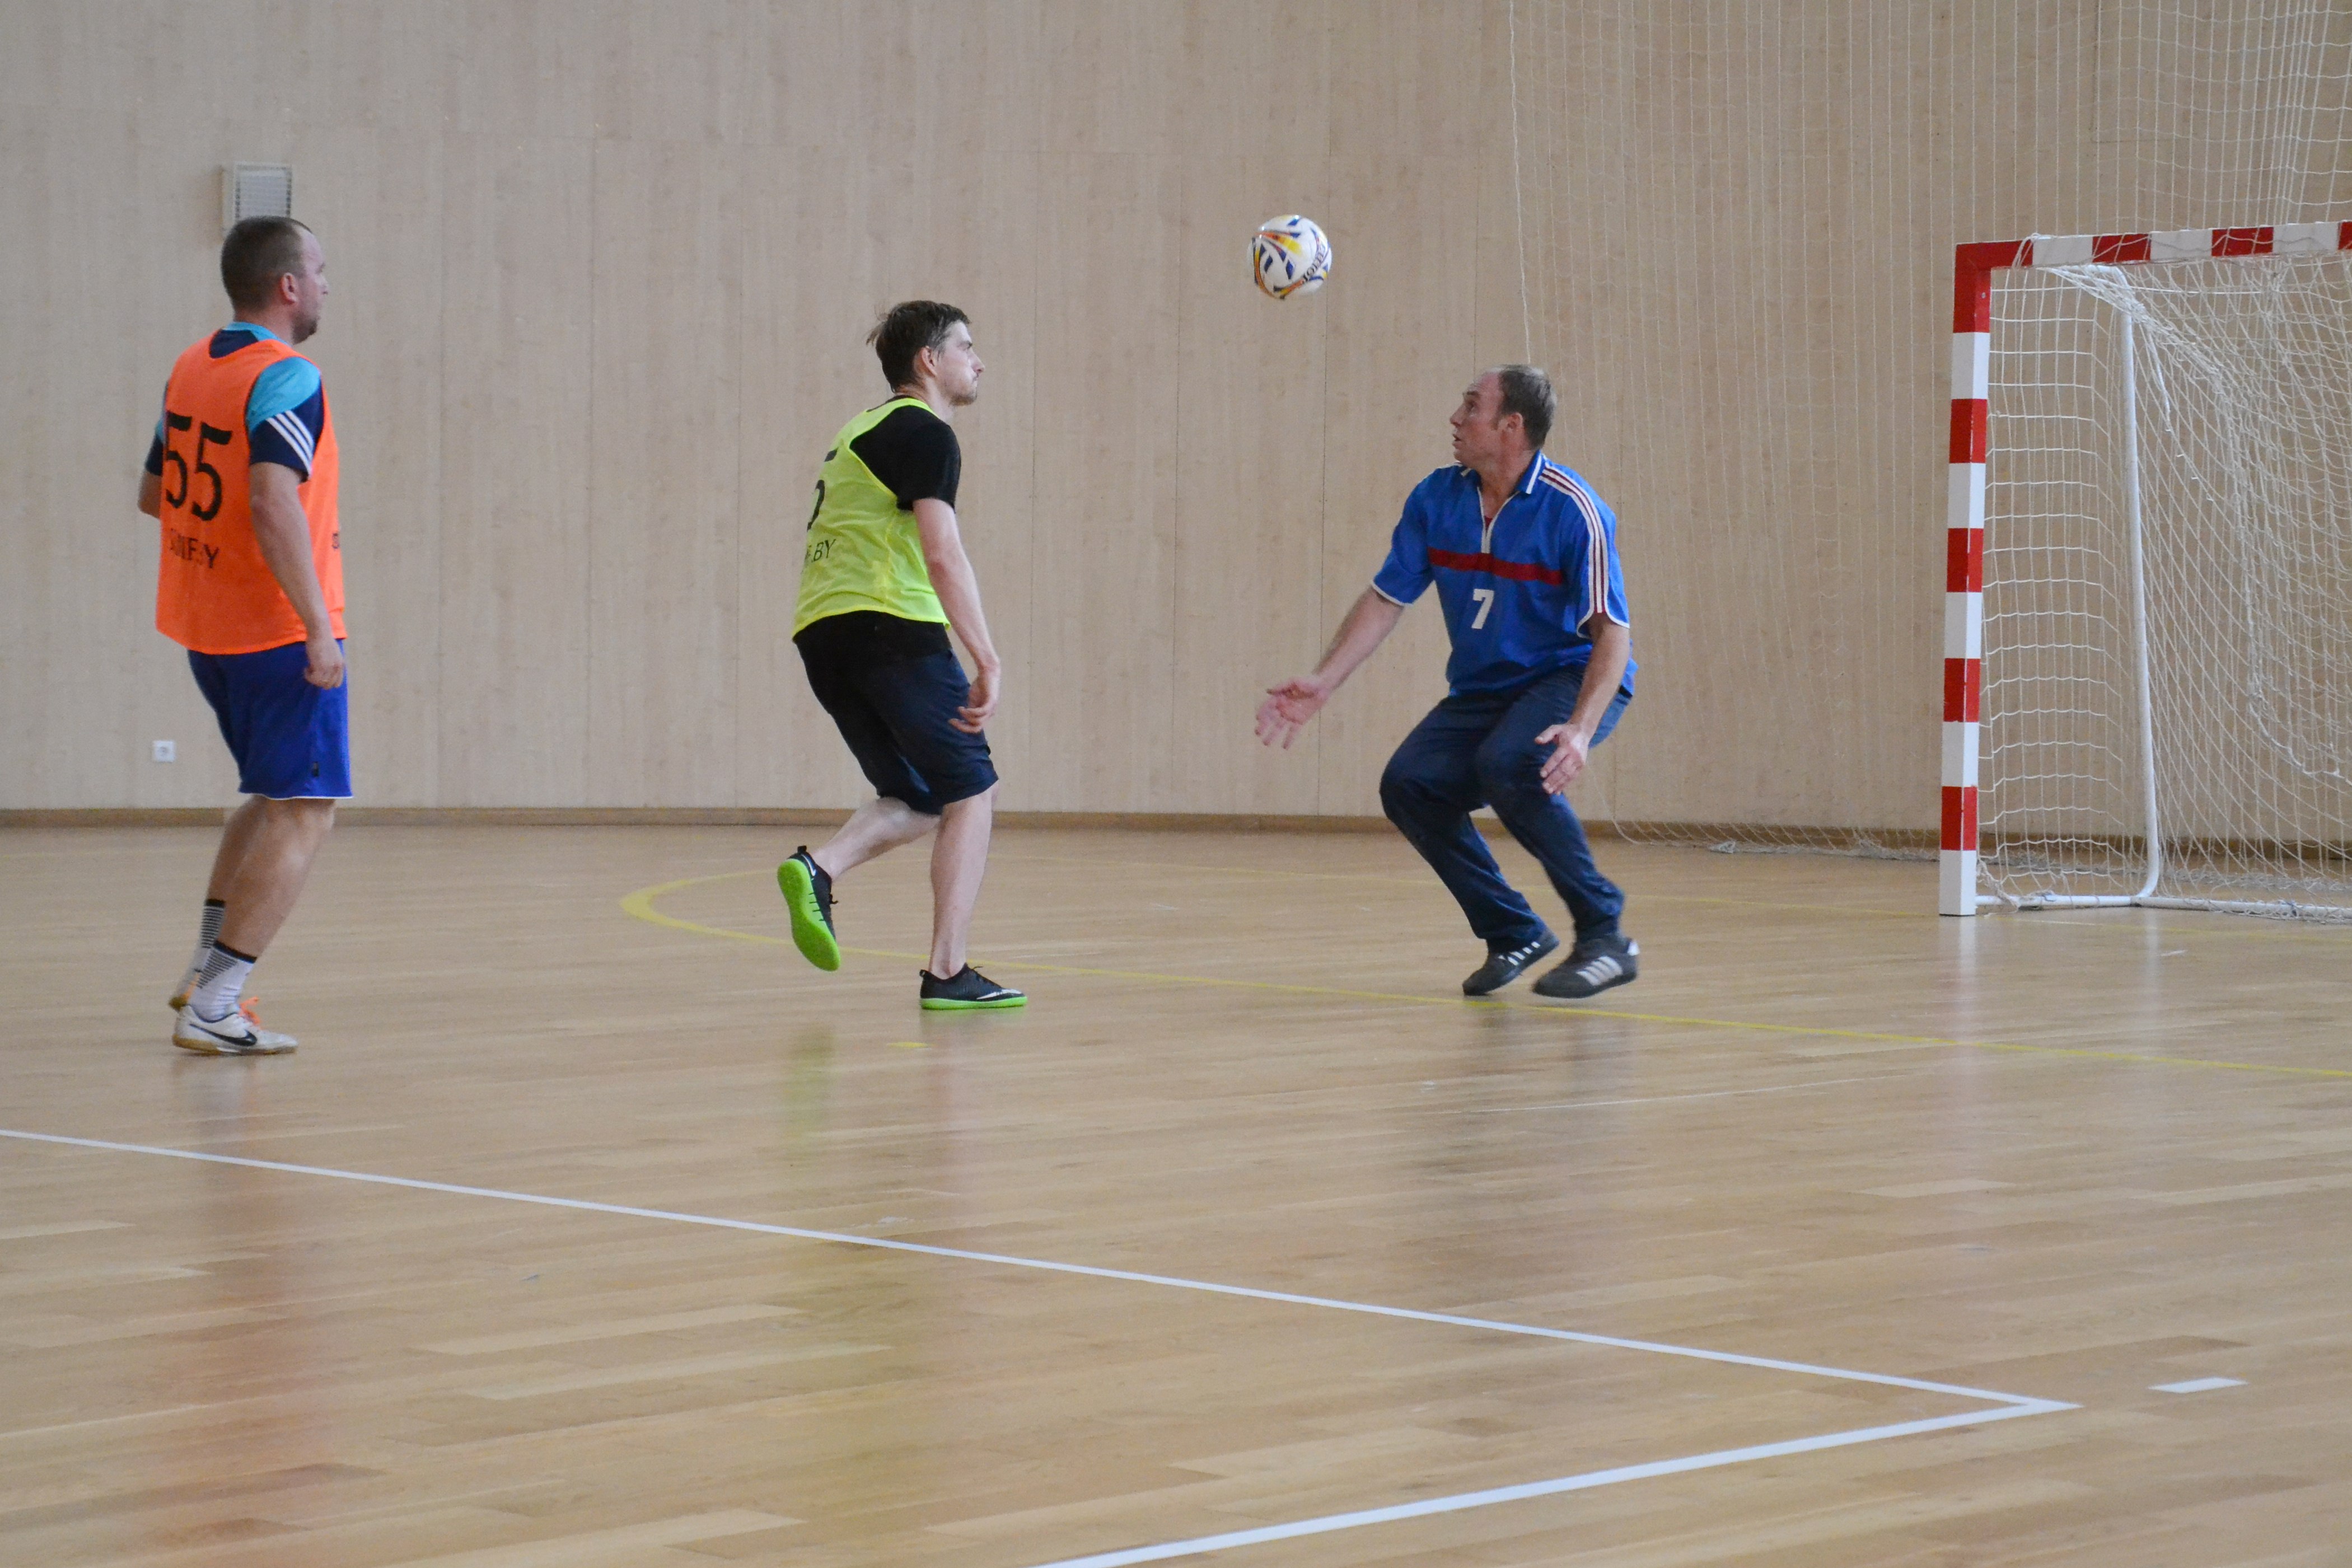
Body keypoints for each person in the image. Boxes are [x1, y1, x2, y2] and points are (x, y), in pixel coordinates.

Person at [1257, 365, 1640, 999]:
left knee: (1512, 762)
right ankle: (1512, 930)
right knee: (1411, 784)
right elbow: (1387, 598)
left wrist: (1579, 729)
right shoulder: (1437, 498)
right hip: (1485, 687)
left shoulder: (1575, 510)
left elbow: (1612, 634)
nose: (1456, 419)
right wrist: (1324, 681)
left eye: (1471, 406)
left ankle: (1606, 936)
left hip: (1568, 675)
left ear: (1511, 425)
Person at [776, 302, 1024, 1011]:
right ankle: (948, 971)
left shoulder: (860, 429)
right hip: (890, 627)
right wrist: (987, 657)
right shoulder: (925, 432)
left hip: (823, 632)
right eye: (965, 347)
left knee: (920, 794)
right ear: (928, 360)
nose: (978, 361)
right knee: (973, 789)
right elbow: (943, 554)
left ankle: (820, 867)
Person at [140, 216, 345, 1055]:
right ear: (288, 286)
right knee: (304, 812)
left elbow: (155, 494)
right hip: (274, 632)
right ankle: (218, 1004)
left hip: (208, 627)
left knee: (268, 800)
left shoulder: (194, 365)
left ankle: (202, 972)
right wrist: (317, 628)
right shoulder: (289, 376)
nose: (327, 284)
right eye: (320, 270)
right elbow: (270, 497)